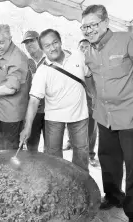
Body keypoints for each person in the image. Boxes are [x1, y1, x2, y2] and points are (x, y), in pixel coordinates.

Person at [81, 4, 133, 222]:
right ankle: (114, 196)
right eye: (84, 27)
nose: (89, 30)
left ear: (106, 23)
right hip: (105, 117)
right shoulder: (88, 51)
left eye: (93, 25)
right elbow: (92, 84)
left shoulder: (129, 40)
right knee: (108, 160)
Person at [19, 29, 91, 172]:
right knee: (52, 156)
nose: (52, 48)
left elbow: (89, 75)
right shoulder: (42, 71)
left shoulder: (78, 57)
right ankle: (57, 184)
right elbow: (34, 101)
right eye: (47, 46)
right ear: (43, 49)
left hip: (80, 115)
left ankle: (81, 185)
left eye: (55, 43)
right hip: (54, 117)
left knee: (81, 154)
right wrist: (27, 127)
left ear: (60, 41)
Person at [63, 39, 99, 167]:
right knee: (72, 122)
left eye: (86, 47)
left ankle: (90, 154)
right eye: (81, 47)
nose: (84, 49)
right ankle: (70, 142)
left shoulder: (94, 62)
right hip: (75, 99)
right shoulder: (73, 62)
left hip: (91, 99)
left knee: (91, 127)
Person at [21, 30, 46, 152]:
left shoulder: (49, 59)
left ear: (39, 41)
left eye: (32, 41)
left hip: (50, 110)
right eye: (26, 42)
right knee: (31, 148)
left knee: (52, 149)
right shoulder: (25, 62)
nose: (29, 44)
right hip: (32, 111)